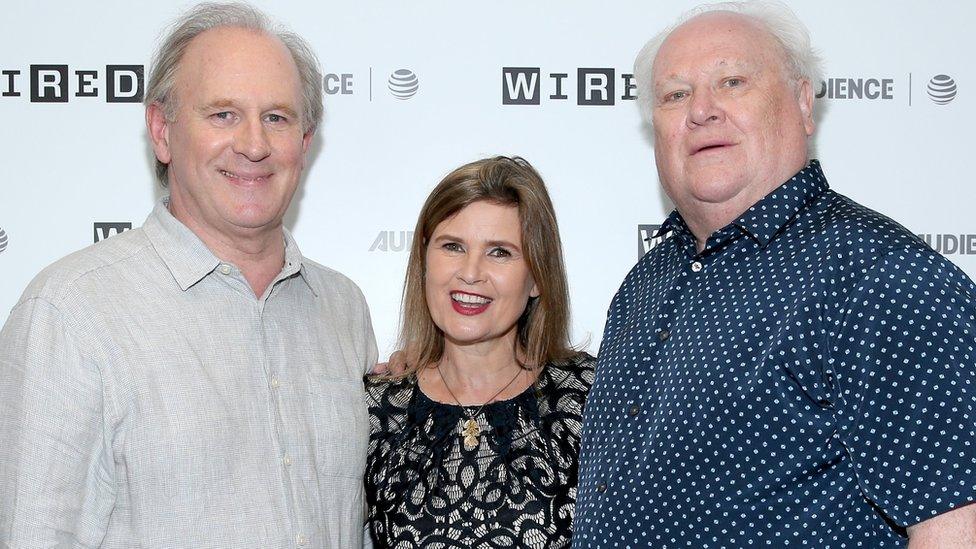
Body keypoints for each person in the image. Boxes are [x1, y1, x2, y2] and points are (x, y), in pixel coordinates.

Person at [573, 2, 976, 547]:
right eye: (675, 94)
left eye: (733, 82)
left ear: (804, 104)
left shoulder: (881, 276)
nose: (702, 111)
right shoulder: (643, 284)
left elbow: (956, 525)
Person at [0, 3, 376, 547]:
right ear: (161, 131)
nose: (253, 144)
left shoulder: (343, 308)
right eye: (222, 114)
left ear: (305, 142)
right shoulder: (70, 314)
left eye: (277, 117)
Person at [364, 156, 595, 548]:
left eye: (499, 252)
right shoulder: (376, 408)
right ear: (424, 261)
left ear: (537, 276)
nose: (470, 273)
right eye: (452, 246)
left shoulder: (590, 399)